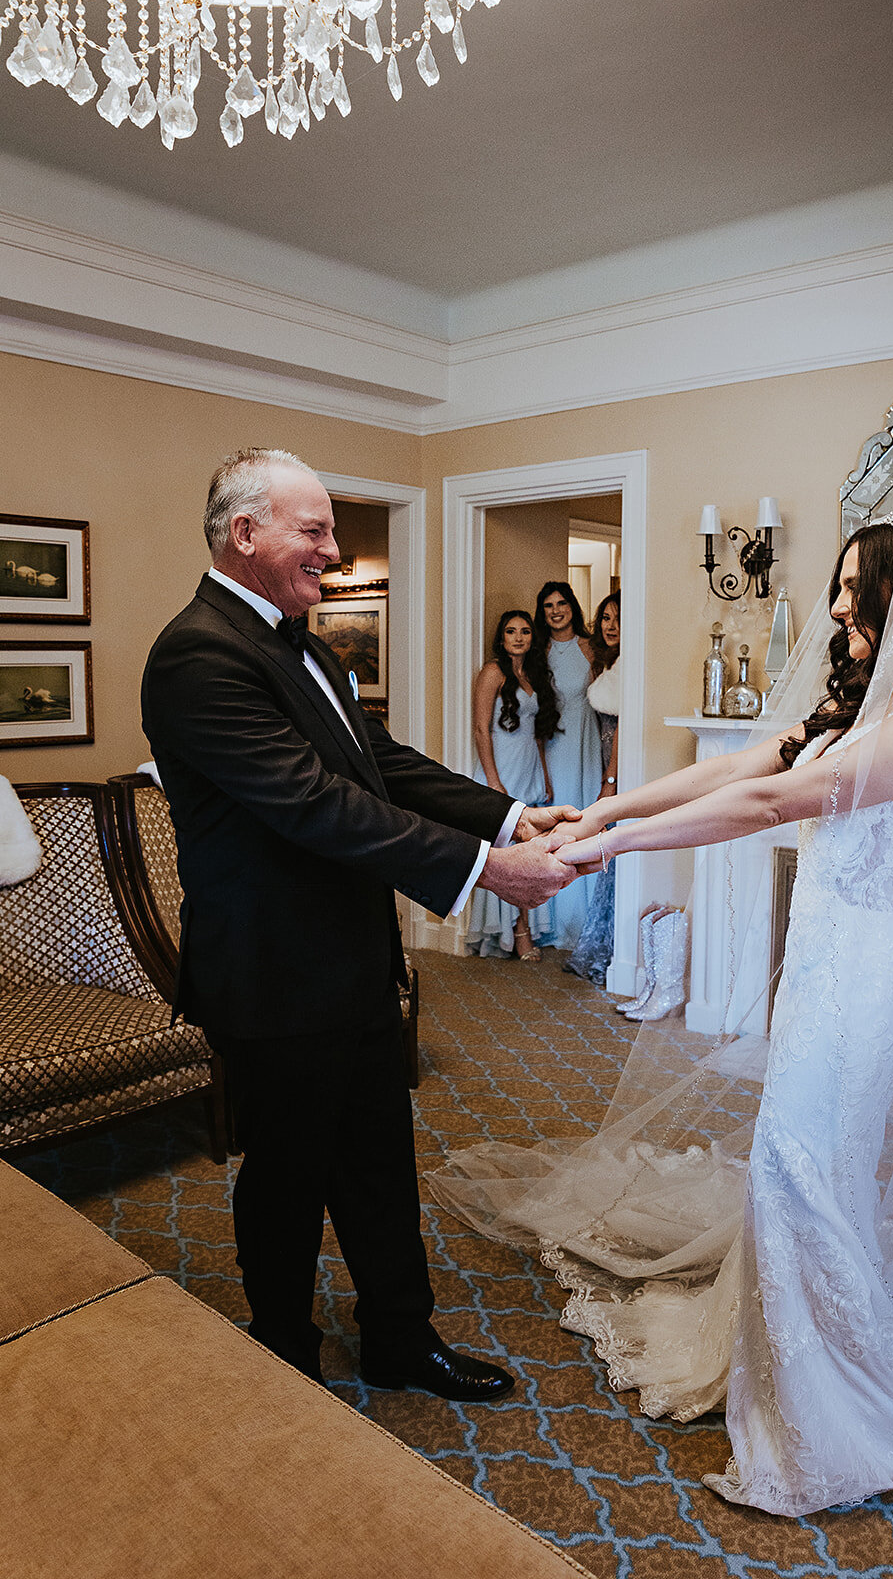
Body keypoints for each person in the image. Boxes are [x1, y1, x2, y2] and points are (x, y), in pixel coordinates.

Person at [430, 509, 893, 1513]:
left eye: (848, 588)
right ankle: (804, 1350)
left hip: (867, 965)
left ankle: (837, 1416)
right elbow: (741, 767)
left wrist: (610, 851)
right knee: (795, 1157)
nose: (834, 606)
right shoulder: (869, 699)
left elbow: (776, 804)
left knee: (804, 1164)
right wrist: (613, 808)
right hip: (824, 952)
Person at [141, 447, 577, 1399]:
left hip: (353, 962)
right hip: (273, 975)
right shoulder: (196, 654)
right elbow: (311, 804)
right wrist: (485, 871)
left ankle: (397, 1338)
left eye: (332, 532)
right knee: (287, 1178)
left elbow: (383, 767)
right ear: (243, 532)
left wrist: (508, 817)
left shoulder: (308, 643)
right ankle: (284, 1348)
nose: (335, 552)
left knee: (380, 1162)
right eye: (315, 531)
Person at [468, 610, 561, 961]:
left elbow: (536, 734)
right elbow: (481, 730)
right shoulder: (492, 673)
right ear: (501, 638)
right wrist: (493, 780)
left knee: (529, 851)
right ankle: (517, 934)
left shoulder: (533, 674)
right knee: (507, 851)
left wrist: (545, 775)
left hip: (528, 767)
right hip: (501, 770)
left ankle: (525, 928)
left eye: (524, 631)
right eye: (511, 631)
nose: (518, 637)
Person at [534, 580, 603, 948]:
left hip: (586, 743)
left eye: (561, 603)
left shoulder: (590, 648)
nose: (556, 610)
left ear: (572, 607)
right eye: (548, 606)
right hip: (553, 746)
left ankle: (586, 924)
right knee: (556, 824)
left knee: (585, 819)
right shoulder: (538, 652)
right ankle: (554, 923)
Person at [563, 590, 621, 984]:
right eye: (605, 618)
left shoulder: (631, 664)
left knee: (613, 853)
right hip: (595, 759)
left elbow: (622, 727)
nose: (611, 625)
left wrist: (610, 780)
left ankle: (611, 950)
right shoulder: (605, 662)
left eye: (618, 618)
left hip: (616, 766)